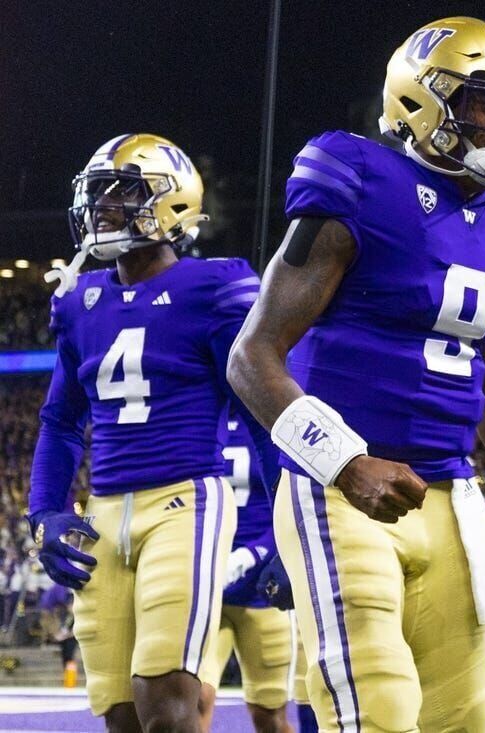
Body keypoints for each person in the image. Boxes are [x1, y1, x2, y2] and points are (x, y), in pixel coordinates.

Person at [227, 17, 485, 731]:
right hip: (339, 491)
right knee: (378, 708)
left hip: (450, 497)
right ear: (420, 99)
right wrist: (345, 462)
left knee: (461, 719)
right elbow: (252, 356)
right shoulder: (358, 178)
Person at [27, 134, 277, 731]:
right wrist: (43, 511)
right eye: (100, 194)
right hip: (106, 511)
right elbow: (60, 420)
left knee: (163, 695)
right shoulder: (80, 299)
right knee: (117, 711)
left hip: (185, 501)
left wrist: (288, 533)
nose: (105, 207)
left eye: (125, 192)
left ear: (174, 205)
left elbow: (266, 413)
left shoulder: (214, 288)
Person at [199, 411, 292, 733]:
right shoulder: (200, 411)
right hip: (208, 586)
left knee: (269, 718)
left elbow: (290, 505)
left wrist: (254, 553)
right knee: (195, 699)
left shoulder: (271, 415)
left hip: (263, 590)